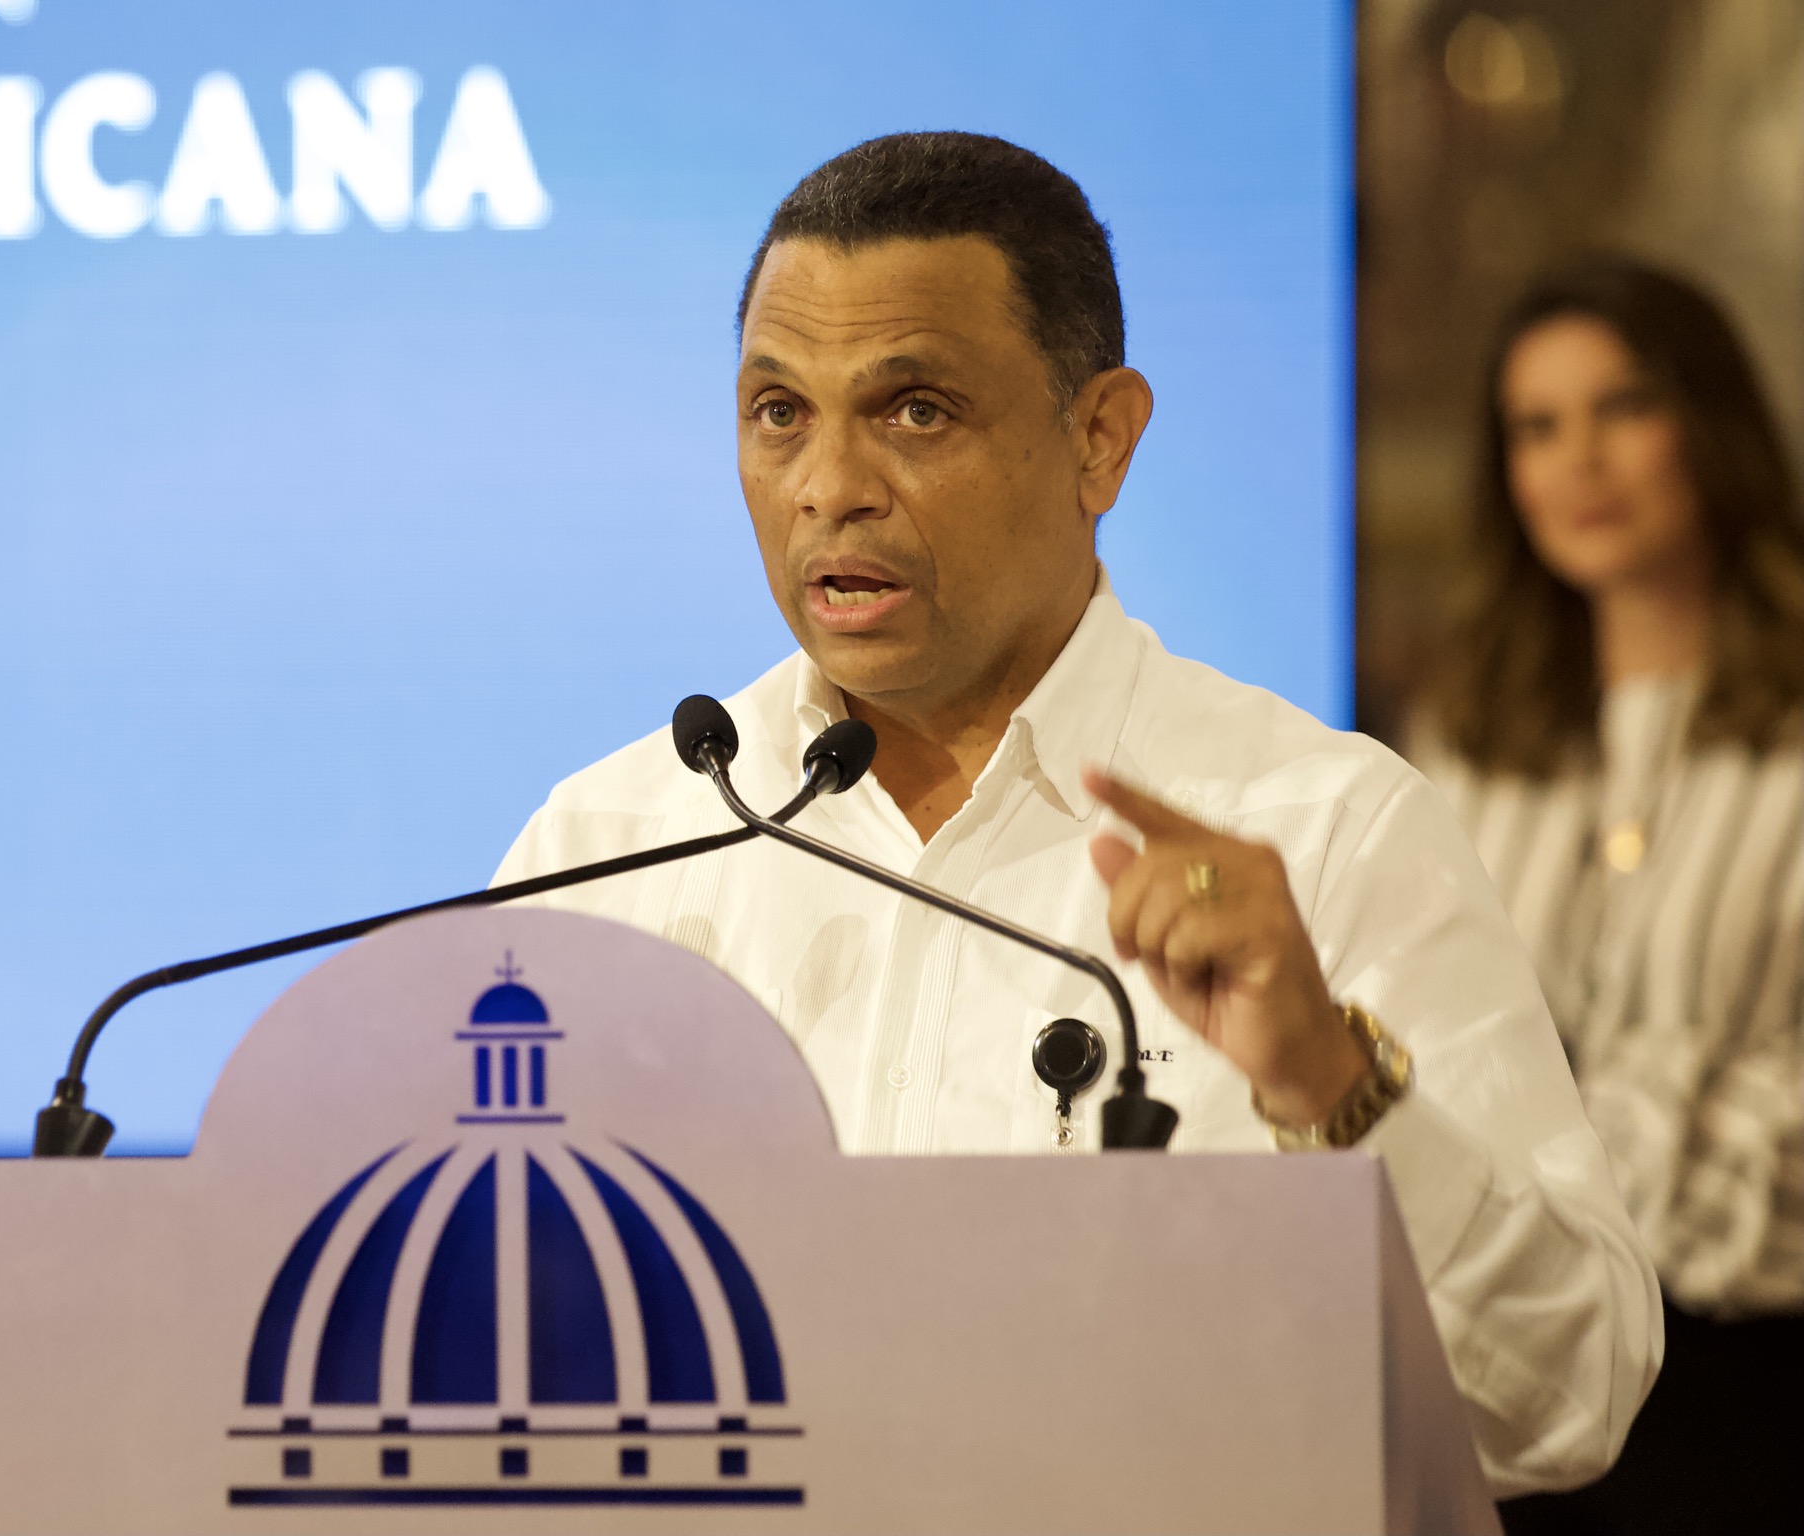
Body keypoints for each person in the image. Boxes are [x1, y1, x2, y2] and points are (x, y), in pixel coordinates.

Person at [495, 132, 1656, 1494]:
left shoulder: (1321, 832)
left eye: (915, 411)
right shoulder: (612, 850)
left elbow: (1568, 1401)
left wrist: (1330, 1085)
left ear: (1100, 438)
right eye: (779, 412)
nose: (827, 487)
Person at [1414, 260, 1802, 1532]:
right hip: (1511, 1364)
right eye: (1536, 427)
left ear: (1711, 425)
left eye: (1623, 407)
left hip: (1756, 1375)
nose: (1577, 461)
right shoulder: (1467, 735)